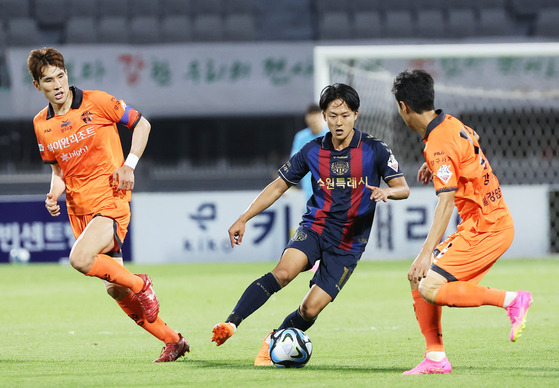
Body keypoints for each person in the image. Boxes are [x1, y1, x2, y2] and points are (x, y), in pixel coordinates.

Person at [211, 83, 410, 366]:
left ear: (356, 114)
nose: (338, 122)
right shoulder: (312, 150)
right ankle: (231, 323)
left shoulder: (374, 149)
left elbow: (403, 188)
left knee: (309, 309)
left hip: (349, 243)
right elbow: (278, 186)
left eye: (344, 115)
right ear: (324, 116)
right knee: (283, 272)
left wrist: (388, 191)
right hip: (316, 227)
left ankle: (275, 339)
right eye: (332, 115)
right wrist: (244, 217)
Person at [28, 47, 189, 363]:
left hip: (110, 199)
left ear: (67, 74)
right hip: (79, 209)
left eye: (61, 75)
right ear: (38, 85)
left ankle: (142, 284)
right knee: (115, 289)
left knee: (80, 259)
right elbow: (58, 169)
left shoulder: (97, 101)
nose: (58, 84)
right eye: (49, 80)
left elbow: (142, 124)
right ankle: (174, 341)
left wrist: (129, 164)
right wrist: (53, 193)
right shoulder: (40, 124)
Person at [391, 69, 532, 375]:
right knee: (418, 279)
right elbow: (473, 140)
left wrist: (425, 251)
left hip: (487, 227)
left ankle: (512, 300)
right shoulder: (450, 122)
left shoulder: (437, 144)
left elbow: (445, 200)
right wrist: (441, 167)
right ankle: (436, 358)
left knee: (428, 285)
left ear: (404, 107)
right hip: (485, 222)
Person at [290, 103, 329, 200]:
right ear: (306, 119)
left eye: (316, 117)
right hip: (310, 190)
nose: (314, 121)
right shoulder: (301, 137)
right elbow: (294, 161)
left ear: (323, 117)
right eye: (311, 118)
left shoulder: (332, 134)